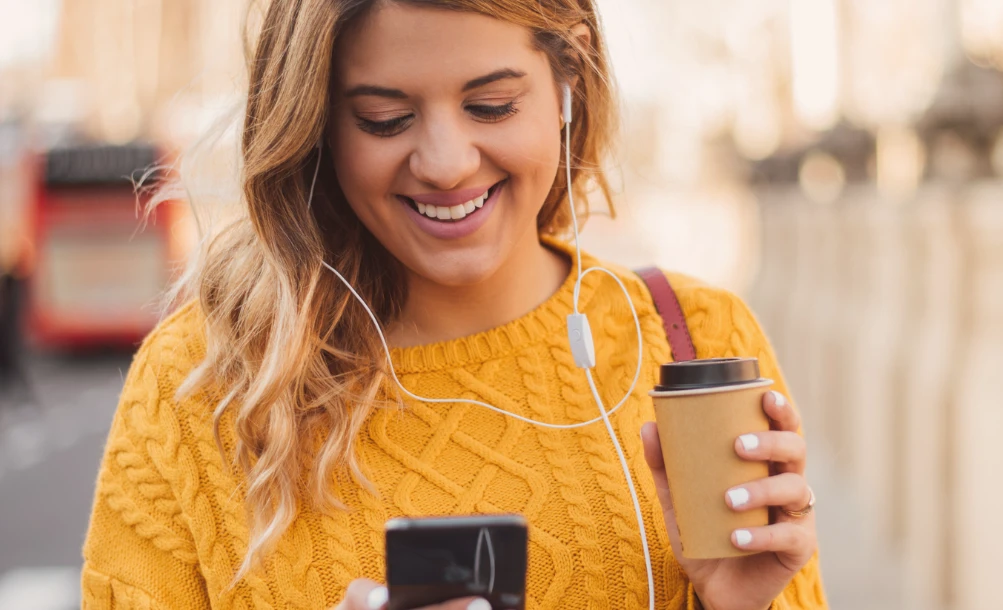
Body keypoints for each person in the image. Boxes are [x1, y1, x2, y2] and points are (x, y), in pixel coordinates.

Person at [80, 1, 826, 609]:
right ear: (318, 125)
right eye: (383, 118)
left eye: (491, 105)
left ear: (569, 76)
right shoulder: (199, 387)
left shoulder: (694, 340)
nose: (445, 163)